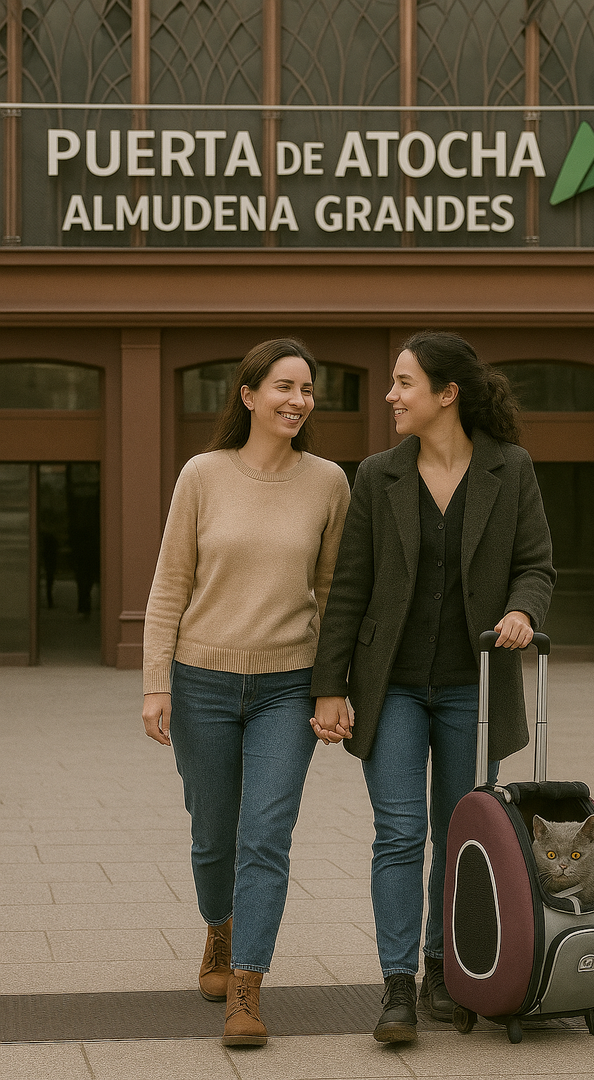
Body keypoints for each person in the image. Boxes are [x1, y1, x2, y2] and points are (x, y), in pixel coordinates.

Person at [310, 331, 555, 1043]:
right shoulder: (377, 475)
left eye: (404, 382)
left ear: (447, 393)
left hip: (472, 688)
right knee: (399, 832)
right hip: (391, 691)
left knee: (462, 835)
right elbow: (348, 590)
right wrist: (331, 686)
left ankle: (442, 969)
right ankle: (395, 987)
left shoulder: (511, 469)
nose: (391, 394)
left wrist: (521, 610)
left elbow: (536, 565)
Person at [142, 338, 350, 1046]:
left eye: (307, 389)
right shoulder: (203, 474)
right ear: (249, 395)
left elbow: (332, 592)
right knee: (212, 835)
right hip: (201, 681)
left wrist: (333, 687)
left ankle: (247, 986)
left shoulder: (328, 482)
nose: (298, 400)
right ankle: (219, 931)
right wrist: (155, 684)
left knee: (265, 835)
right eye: (285, 387)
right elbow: (170, 583)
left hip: (287, 688)